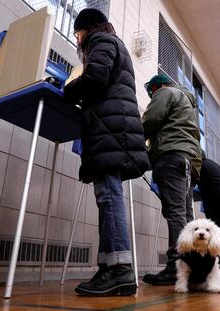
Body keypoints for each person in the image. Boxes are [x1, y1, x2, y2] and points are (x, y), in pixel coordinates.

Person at [63, 8, 150, 296]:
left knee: (109, 198)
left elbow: (96, 77)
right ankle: (110, 268)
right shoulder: (112, 43)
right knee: (108, 197)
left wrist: (69, 88)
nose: (78, 39)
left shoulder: (100, 40)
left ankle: (120, 270)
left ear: (87, 29)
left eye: (77, 33)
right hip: (114, 128)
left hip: (110, 130)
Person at [141, 74, 202, 285]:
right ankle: (189, 267)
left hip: (172, 157)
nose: (152, 95)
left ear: (156, 87)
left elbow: (150, 119)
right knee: (184, 216)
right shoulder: (188, 105)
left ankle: (176, 267)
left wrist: (133, 135)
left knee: (175, 214)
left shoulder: (165, 93)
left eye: (152, 92)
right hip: (190, 163)